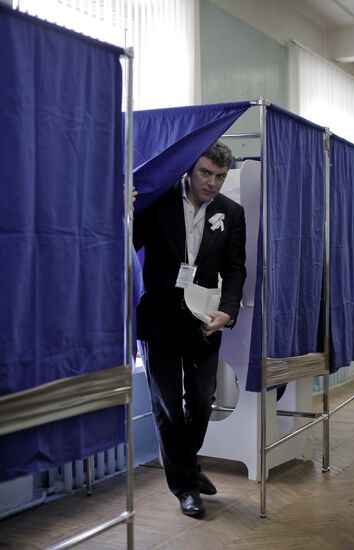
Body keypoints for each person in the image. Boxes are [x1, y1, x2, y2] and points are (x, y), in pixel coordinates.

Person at [133, 140, 246, 517]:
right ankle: (184, 485)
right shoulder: (157, 201)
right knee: (168, 408)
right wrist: (126, 210)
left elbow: (234, 269)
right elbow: (129, 243)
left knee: (200, 402)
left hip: (204, 322)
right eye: (205, 173)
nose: (212, 183)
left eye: (220, 176)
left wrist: (227, 312)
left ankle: (188, 463)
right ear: (188, 169)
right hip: (159, 320)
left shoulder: (232, 212)